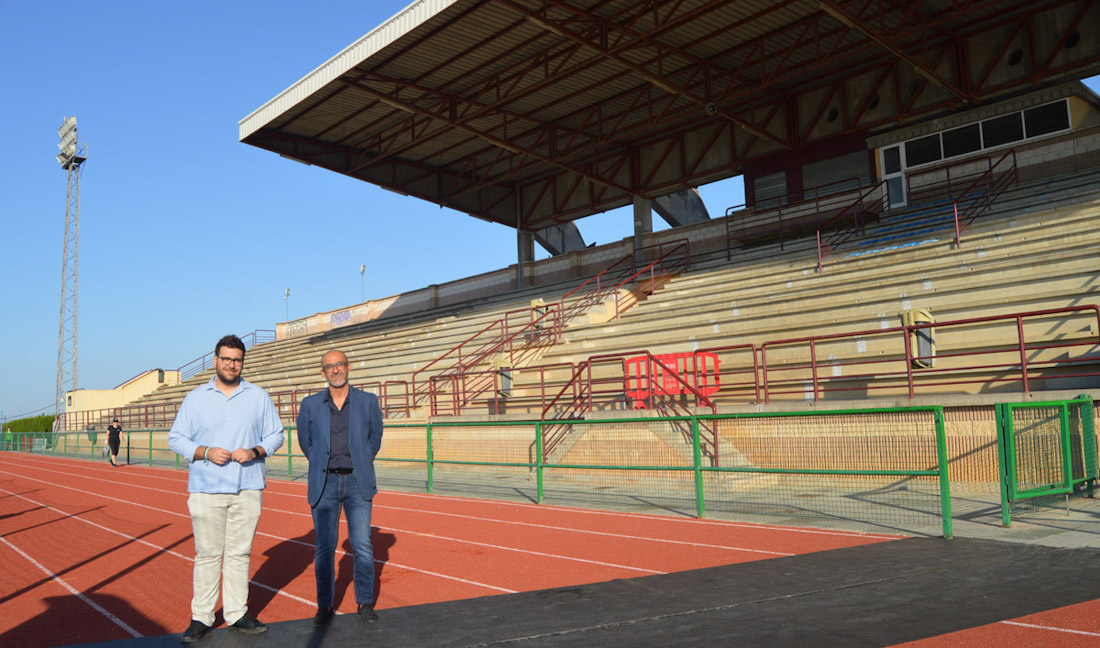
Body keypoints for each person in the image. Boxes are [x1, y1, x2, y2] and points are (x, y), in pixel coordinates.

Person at [168, 334, 285, 643]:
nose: (232, 364)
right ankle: (201, 617)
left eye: (237, 360)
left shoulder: (258, 396)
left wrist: (256, 451)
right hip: (206, 488)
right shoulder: (195, 398)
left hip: (248, 487)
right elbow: (176, 438)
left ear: (242, 362)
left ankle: (236, 613)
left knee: (239, 553)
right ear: (216, 359)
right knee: (207, 554)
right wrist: (205, 451)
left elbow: (276, 434)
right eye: (226, 359)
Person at [297, 349, 384, 625]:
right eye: (329, 367)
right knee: (324, 547)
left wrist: (361, 458)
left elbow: (375, 437)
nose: (335, 370)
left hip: (358, 481)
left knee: (362, 545)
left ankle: (365, 603)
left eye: (339, 364)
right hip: (325, 483)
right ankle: (324, 605)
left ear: (348, 367)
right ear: (323, 373)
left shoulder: (368, 401)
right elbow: (305, 442)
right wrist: (322, 461)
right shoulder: (310, 405)